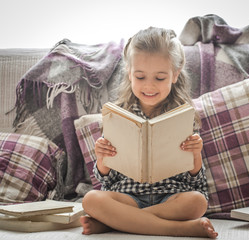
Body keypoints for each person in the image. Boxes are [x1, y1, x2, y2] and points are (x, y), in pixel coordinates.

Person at [80, 27, 218, 238]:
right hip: (127, 196)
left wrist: (196, 154)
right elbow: (107, 182)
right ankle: (179, 229)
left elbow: (195, 183)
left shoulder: (183, 115)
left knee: (197, 202)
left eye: (160, 78)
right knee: (91, 199)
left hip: (171, 197)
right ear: (129, 72)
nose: (150, 86)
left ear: (175, 74)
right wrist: (102, 158)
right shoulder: (118, 115)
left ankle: (118, 223)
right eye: (141, 77)